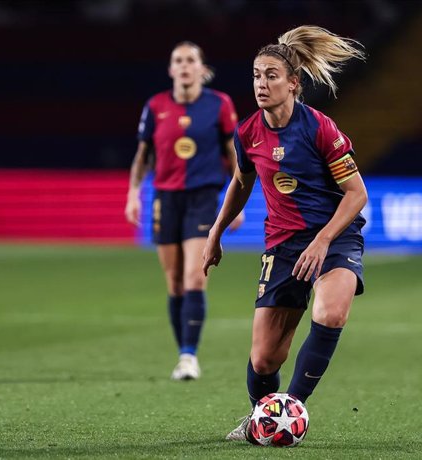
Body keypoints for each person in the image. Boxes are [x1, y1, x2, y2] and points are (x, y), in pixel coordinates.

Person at [201, 25, 367, 440]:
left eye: (271, 75)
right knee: (263, 361)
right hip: (283, 245)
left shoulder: (320, 128)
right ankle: (263, 415)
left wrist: (324, 239)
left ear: (294, 83)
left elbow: (356, 194)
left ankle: (289, 410)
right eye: (257, 74)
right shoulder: (248, 133)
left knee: (330, 312)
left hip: (334, 237)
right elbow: (241, 183)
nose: (261, 83)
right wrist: (216, 232)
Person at [125, 41, 243, 381]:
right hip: (165, 199)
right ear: (171, 69)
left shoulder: (219, 105)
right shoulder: (156, 105)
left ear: (201, 67)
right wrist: (133, 193)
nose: (185, 66)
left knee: (195, 276)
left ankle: (190, 355)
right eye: (179, 60)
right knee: (175, 283)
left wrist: (236, 203)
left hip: (204, 197)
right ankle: (183, 354)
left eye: (191, 60)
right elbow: (143, 155)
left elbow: (233, 155)